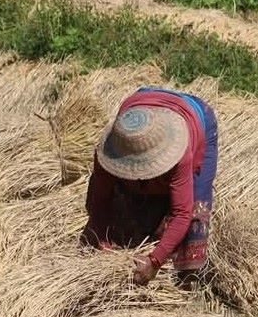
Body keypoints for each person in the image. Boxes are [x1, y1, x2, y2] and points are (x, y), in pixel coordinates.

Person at [82, 87, 218, 287]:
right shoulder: (113, 146)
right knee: (131, 201)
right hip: (142, 100)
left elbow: (182, 213)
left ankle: (187, 279)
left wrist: (155, 261)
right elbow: (100, 198)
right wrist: (101, 238)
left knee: (196, 203)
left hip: (196, 116)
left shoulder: (180, 151)